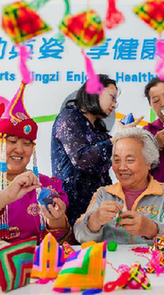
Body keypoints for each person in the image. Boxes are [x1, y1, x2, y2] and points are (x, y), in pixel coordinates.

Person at [0, 83, 71, 243]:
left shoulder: (47, 186)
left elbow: (60, 242)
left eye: (26, 144)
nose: (19, 149)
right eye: (12, 141)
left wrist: (56, 220)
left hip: (37, 264)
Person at [75, 128, 164, 244]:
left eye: (130, 160)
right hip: (112, 262)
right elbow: (80, 235)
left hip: (152, 262)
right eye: (116, 160)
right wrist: (94, 220)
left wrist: (150, 229)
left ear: (149, 162)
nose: (122, 167)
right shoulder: (103, 194)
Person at [51, 75, 120, 226]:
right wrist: (115, 140)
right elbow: (82, 159)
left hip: (96, 207)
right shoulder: (68, 117)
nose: (114, 105)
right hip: (71, 207)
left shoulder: (97, 128)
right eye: (112, 97)